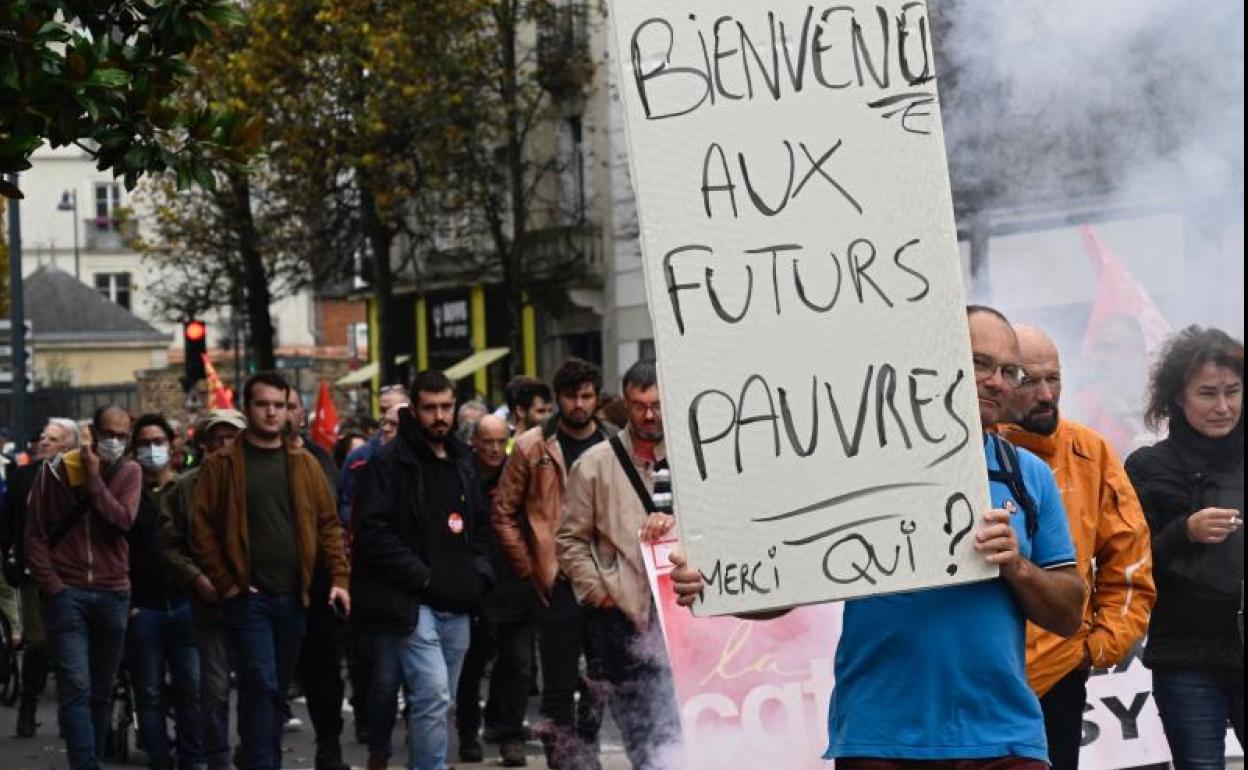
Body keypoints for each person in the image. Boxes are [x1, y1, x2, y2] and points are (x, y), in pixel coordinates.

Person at [672, 305, 1085, 768]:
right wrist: (713, 583)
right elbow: (784, 584)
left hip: (1004, 740)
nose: (995, 380)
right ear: (936, 356)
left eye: (1008, 370)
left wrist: (1016, 566)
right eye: (979, 363)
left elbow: (1069, 614)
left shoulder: (1027, 476)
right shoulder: (857, 466)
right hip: (880, 739)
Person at [999, 325, 1156, 770]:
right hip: (980, 678)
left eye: (1054, 378)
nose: (1047, 394)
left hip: (1060, 674)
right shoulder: (968, 453)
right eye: (1029, 381)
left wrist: (1100, 646)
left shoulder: (1090, 450)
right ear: (998, 381)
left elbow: (1129, 556)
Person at [190, 372, 351, 770]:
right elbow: (201, 527)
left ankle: (257, 753)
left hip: (294, 596)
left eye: (279, 405)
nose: (272, 412)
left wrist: (340, 580)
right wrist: (227, 583)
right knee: (259, 682)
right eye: (263, 404)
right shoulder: (225, 464)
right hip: (248, 598)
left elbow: (329, 525)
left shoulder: (304, 463)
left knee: (273, 689)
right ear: (248, 409)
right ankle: (263, 762)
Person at [351, 370, 493, 770]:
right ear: (414, 410)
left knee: (439, 699)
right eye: (430, 409)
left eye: (446, 407)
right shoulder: (388, 463)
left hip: (460, 599)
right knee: (431, 695)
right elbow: (372, 532)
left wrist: (479, 573)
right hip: (413, 602)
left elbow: (481, 523)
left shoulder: (463, 458)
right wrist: (423, 577)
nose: (439, 417)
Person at [1125, 326, 1245, 770]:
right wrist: (1183, 532)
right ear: (1177, 396)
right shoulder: (1147, 467)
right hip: (1186, 657)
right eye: (1207, 394)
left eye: (1233, 391)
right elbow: (1129, 565)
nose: (1223, 407)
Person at [556, 359, 682, 770]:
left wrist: (675, 525)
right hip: (623, 620)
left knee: (688, 727)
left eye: (658, 404)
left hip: (687, 618)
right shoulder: (594, 464)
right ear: (625, 404)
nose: (649, 414)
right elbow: (570, 540)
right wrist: (601, 593)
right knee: (643, 737)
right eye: (639, 405)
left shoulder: (694, 457)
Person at [492, 358, 611, 770]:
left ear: (596, 397)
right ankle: (562, 761)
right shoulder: (531, 445)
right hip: (556, 579)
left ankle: (588, 752)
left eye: (586, 396)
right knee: (558, 685)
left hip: (606, 579)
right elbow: (503, 512)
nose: (578, 404)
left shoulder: (614, 442)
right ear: (557, 398)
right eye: (570, 396)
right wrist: (530, 568)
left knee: (601, 680)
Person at [25, 405, 142, 770]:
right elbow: (35, 535)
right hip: (68, 593)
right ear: (92, 431)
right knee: (75, 686)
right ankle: (85, 763)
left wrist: (94, 479)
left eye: (122, 436)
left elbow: (122, 520)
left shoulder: (129, 472)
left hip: (112, 592)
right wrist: (53, 585)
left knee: (101, 689)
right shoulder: (56, 473)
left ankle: (93, 751)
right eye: (108, 434)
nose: (113, 442)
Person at [160, 408, 247, 770]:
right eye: (217, 438)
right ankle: (219, 760)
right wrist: (197, 577)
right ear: (205, 444)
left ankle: (254, 751)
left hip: (257, 600)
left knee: (261, 686)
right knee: (213, 691)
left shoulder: (261, 480)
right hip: (210, 604)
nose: (224, 445)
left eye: (231, 438)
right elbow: (169, 545)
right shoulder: (184, 488)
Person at [126, 413, 203, 770]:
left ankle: (191, 757)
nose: (152, 450)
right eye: (144, 443)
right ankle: (159, 757)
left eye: (158, 442)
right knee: (150, 691)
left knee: (192, 689)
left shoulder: (186, 489)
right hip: (145, 607)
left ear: (172, 444)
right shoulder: (126, 495)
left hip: (186, 604)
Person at [457, 414, 534, 766]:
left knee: (518, 664)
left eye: (499, 441)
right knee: (471, 667)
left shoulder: (517, 472)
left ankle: (510, 733)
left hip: (516, 583)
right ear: (473, 441)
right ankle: (469, 730)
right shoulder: (460, 473)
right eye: (486, 441)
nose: (493, 449)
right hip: (475, 586)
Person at [0, 417, 80, 737]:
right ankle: (29, 700)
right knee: (40, 642)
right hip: (34, 572)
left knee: (70, 644)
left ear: (70, 446)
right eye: (43, 438)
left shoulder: (81, 478)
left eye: (54, 440)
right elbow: (7, 522)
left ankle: (70, 710)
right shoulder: (22, 477)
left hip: (74, 572)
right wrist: (8, 557)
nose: (44, 443)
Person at [287, 388, 353, 770]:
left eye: (290, 407)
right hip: (269, 586)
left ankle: (330, 746)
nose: (282, 414)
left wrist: (339, 577)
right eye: (274, 406)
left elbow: (331, 522)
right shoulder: (244, 463)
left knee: (324, 673)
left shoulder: (319, 458)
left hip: (318, 586)